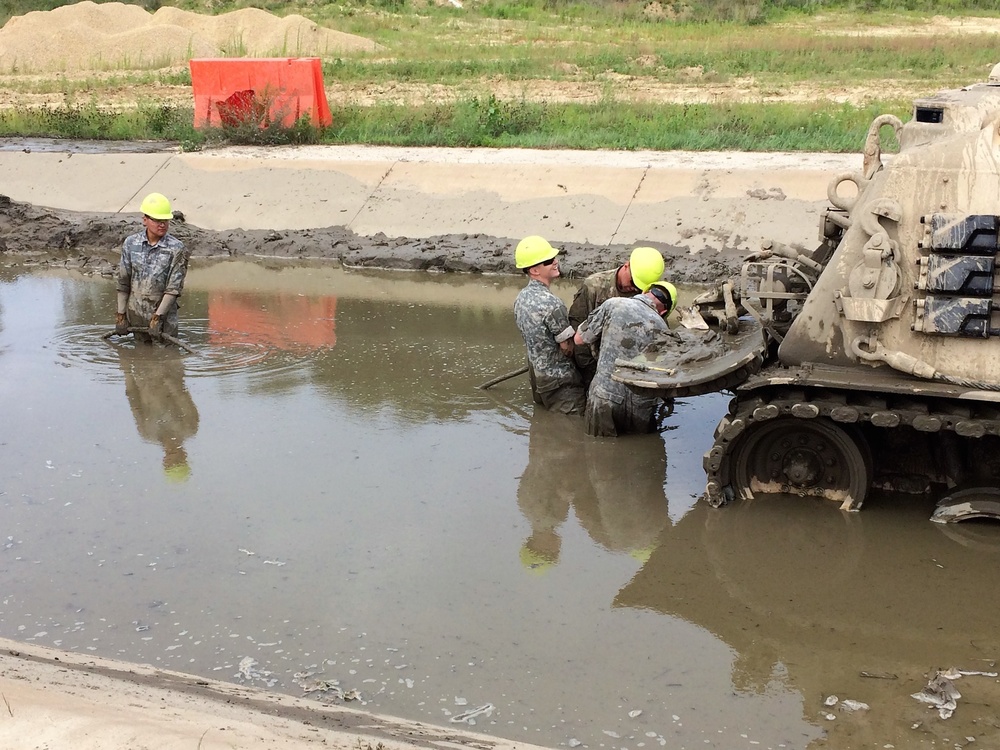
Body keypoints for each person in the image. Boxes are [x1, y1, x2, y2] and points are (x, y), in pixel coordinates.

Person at [574, 280, 678, 437]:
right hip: (641, 406)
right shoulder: (663, 329)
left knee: (596, 453)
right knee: (640, 452)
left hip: (604, 396)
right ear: (664, 313)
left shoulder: (613, 304)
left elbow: (579, 340)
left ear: (644, 292)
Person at [568, 246, 665, 385]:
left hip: (630, 367)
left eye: (640, 286)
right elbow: (577, 327)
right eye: (633, 282)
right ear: (627, 266)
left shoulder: (650, 296)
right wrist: (590, 371)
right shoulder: (594, 286)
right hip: (594, 362)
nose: (634, 289)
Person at [513, 235, 585, 415]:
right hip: (560, 382)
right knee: (572, 429)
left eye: (553, 258)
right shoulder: (552, 304)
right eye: (548, 261)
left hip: (538, 378)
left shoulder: (520, 298)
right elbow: (567, 347)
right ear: (534, 271)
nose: (555, 262)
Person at [115, 192, 189, 344]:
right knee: (142, 358)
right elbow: (123, 282)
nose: (162, 224)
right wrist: (121, 315)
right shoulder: (131, 244)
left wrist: (158, 318)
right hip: (136, 316)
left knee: (165, 360)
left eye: (165, 221)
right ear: (145, 220)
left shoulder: (176, 249)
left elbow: (173, 289)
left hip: (164, 320)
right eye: (157, 220)